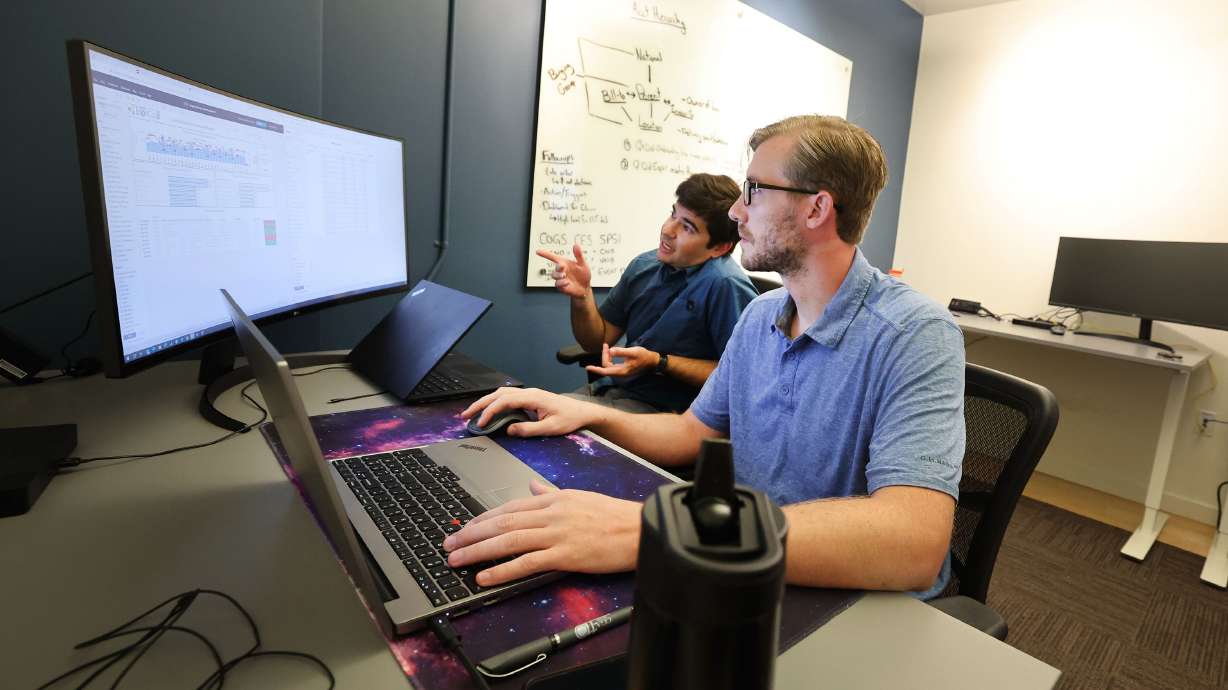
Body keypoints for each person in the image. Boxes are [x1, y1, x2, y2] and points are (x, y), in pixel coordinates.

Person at [449, 115, 966, 599]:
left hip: (848, 596)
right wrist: (591, 414)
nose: (738, 211)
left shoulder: (916, 334)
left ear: (817, 208)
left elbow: (914, 543)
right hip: (740, 560)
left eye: (754, 191)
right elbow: (692, 434)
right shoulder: (762, 314)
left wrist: (655, 532)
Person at [536, 173, 757, 413]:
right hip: (615, 391)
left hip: (674, 414)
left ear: (719, 247)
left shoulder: (725, 285)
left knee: (543, 416)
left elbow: (740, 377)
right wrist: (582, 297)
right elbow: (595, 342)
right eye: (673, 214)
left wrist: (659, 362)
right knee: (527, 413)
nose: (668, 230)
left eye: (687, 227)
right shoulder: (645, 265)